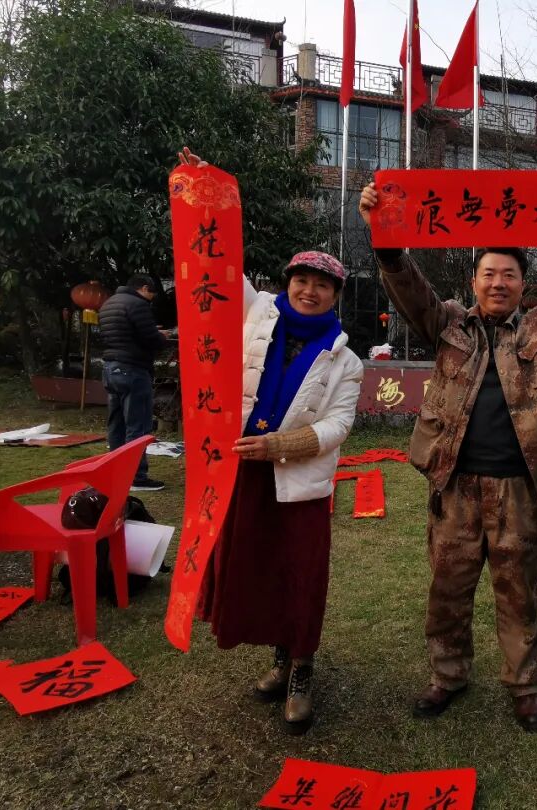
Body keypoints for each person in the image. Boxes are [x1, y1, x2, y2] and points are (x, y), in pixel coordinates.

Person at [358, 180, 537, 731]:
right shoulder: (448, 324)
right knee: (447, 588)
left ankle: (525, 684)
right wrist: (384, 239)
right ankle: (447, 675)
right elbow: (408, 289)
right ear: (473, 281)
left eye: (509, 274)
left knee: (518, 590)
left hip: (519, 488)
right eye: (489, 273)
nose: (498, 282)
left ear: (523, 284)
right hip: (454, 484)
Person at [177, 149, 364, 734]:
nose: (309, 291)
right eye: (301, 281)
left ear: (335, 295)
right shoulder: (255, 314)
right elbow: (217, 264)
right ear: (287, 283)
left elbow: (338, 426)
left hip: (298, 482)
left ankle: (302, 667)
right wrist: (204, 190)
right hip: (241, 472)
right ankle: (279, 659)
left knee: (300, 576)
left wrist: (281, 446)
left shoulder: (346, 359)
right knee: (256, 570)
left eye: (322, 285)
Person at [98, 274, 170, 491]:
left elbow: (124, 334)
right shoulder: (138, 305)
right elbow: (150, 338)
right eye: (152, 294)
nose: (151, 298)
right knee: (137, 425)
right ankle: (136, 477)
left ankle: (115, 471)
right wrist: (162, 337)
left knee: (116, 424)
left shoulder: (109, 304)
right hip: (133, 370)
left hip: (110, 368)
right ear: (145, 288)